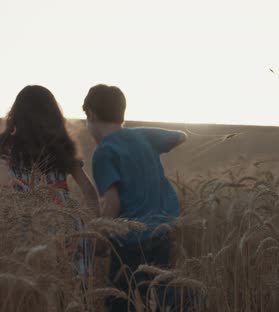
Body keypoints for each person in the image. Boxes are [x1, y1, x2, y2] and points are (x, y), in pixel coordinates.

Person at [0, 85, 100, 275]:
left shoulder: (5, 143)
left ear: (16, 114)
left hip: (31, 225)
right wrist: (95, 229)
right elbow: (89, 192)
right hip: (69, 226)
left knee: (36, 286)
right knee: (74, 291)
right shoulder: (62, 145)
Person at [82, 84, 187, 311]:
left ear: (90, 114)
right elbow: (181, 137)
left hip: (130, 240)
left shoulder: (104, 152)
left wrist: (99, 241)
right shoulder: (143, 137)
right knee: (162, 299)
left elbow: (113, 203)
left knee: (120, 301)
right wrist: (136, 135)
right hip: (163, 230)